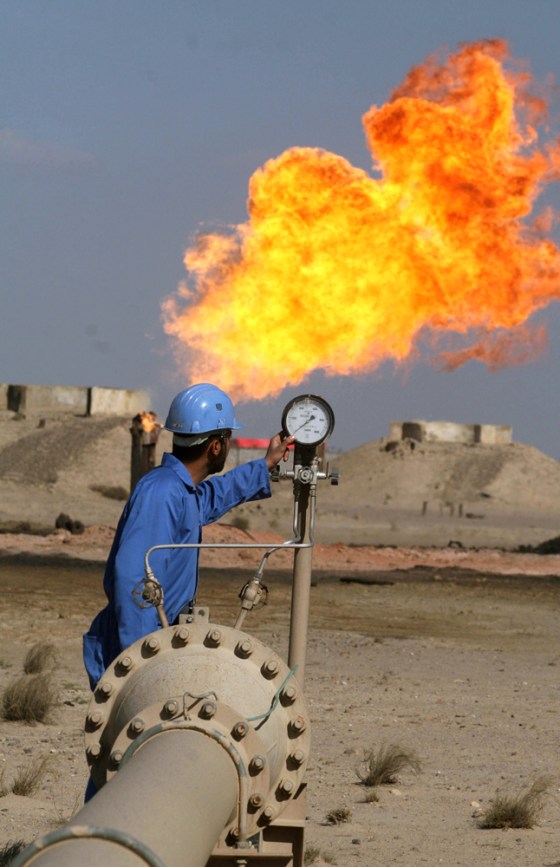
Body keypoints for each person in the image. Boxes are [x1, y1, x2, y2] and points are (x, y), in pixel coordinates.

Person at [83, 383, 293, 690]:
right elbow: (135, 582)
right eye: (228, 438)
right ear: (216, 446)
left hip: (161, 642)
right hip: (143, 649)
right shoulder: (162, 491)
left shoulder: (179, 489)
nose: (229, 445)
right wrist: (140, 664)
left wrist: (266, 464)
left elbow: (215, 495)